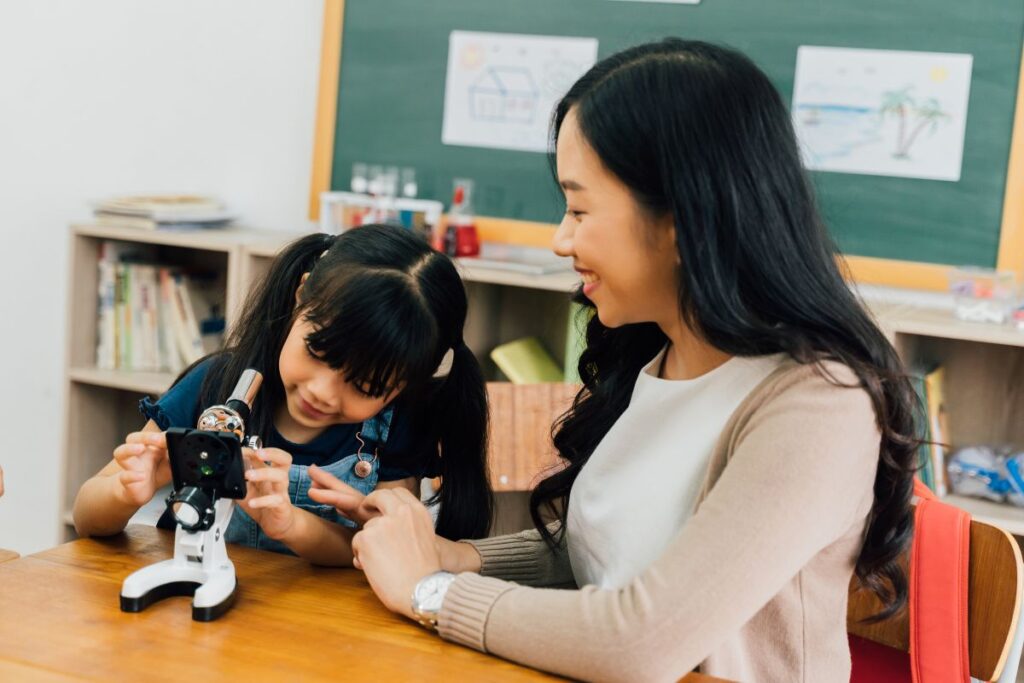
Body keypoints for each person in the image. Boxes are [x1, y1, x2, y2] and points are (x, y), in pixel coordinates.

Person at [314, 39, 919, 681]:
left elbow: (639, 641)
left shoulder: (819, 403)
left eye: (578, 208)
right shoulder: (661, 354)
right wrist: (443, 555)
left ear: (682, 220)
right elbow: (602, 556)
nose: (560, 239)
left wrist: (428, 591)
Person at [73, 224, 493, 564]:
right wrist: (124, 492)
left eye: (365, 386)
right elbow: (87, 517)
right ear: (301, 296)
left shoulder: (396, 426)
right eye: (317, 350)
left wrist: (292, 525)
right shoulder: (215, 386)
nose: (322, 392)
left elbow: (379, 550)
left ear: (406, 385)